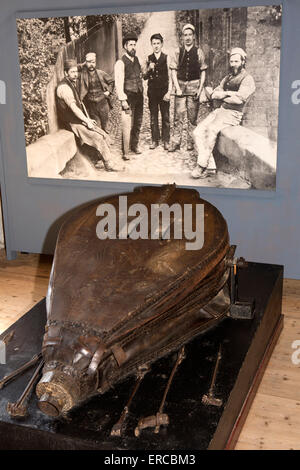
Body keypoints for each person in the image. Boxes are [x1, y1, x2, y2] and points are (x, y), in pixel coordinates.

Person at [191, 47, 256, 179]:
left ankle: (201, 165)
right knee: (197, 132)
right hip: (221, 110)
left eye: (236, 61)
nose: (233, 64)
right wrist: (227, 93)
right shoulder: (228, 77)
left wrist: (223, 95)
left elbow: (238, 100)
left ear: (243, 61)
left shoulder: (248, 79)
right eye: (231, 61)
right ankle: (210, 166)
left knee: (211, 129)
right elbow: (215, 93)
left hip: (233, 114)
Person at [56, 59, 117, 172]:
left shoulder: (71, 82)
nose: (75, 75)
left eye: (76, 72)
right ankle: (109, 164)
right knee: (98, 137)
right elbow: (74, 108)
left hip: (77, 120)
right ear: (65, 73)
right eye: (72, 72)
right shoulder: (64, 88)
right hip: (71, 123)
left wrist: (87, 119)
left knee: (102, 133)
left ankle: (97, 158)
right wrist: (86, 120)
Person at [169, 23, 207, 152]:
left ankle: (191, 142)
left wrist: (200, 88)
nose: (188, 37)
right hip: (180, 87)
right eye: (185, 35)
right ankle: (175, 142)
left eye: (190, 35)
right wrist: (177, 88)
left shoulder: (199, 52)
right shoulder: (177, 51)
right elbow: (173, 70)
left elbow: (203, 71)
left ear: (194, 36)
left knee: (192, 117)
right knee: (178, 116)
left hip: (194, 87)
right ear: (182, 37)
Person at [114, 32, 144, 160]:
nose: (133, 47)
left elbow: (140, 76)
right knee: (127, 124)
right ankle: (125, 151)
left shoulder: (137, 60)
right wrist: (123, 100)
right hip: (128, 97)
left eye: (134, 44)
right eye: (130, 44)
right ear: (125, 46)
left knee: (137, 122)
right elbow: (118, 82)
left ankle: (134, 145)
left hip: (139, 95)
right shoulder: (120, 63)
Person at [142, 33, 172, 150]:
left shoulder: (166, 57)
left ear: (162, 44)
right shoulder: (148, 58)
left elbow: (170, 76)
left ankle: (166, 140)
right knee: (153, 117)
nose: (156, 46)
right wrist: (149, 68)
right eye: (154, 43)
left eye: (158, 43)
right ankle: (155, 140)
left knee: (165, 116)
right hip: (152, 93)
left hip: (164, 92)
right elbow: (144, 76)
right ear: (151, 44)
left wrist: (169, 92)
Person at [79, 52, 114, 133]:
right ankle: (100, 144)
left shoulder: (101, 73)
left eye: (93, 62)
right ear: (86, 63)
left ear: (96, 62)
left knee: (105, 126)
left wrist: (108, 91)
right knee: (96, 128)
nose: (91, 64)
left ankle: (107, 143)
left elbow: (111, 82)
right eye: (89, 62)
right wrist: (83, 64)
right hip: (91, 106)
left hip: (103, 104)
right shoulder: (83, 75)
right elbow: (74, 68)